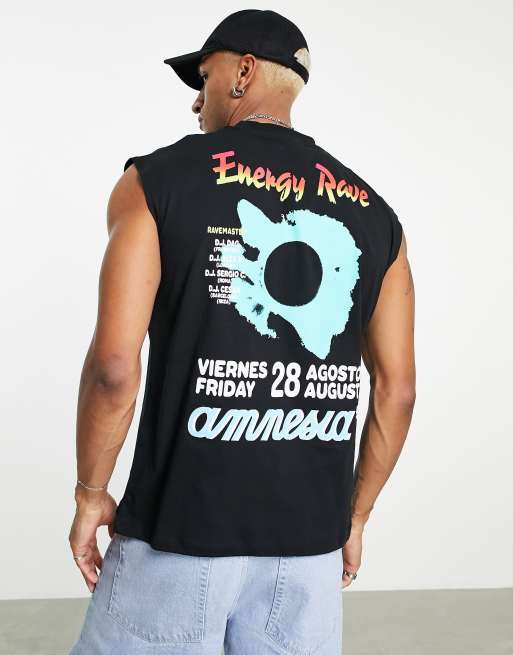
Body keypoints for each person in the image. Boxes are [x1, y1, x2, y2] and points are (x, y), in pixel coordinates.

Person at [68, 9, 415, 655]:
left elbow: (114, 367)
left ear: (243, 72)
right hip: (308, 549)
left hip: (177, 536)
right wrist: (355, 516)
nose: (196, 100)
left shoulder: (155, 183)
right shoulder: (376, 215)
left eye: (203, 78)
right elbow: (397, 390)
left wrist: (91, 494)